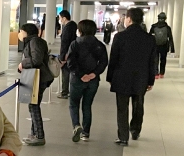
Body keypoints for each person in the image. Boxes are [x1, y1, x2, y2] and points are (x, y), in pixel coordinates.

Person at [107, 8, 158, 146]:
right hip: (141, 78)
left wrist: (110, 77)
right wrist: (151, 80)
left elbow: (113, 59)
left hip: (122, 77)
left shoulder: (120, 37)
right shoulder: (149, 39)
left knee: (122, 107)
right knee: (138, 105)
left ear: (129, 19)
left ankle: (123, 137)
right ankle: (135, 130)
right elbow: (152, 61)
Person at [65, 20, 109, 142]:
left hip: (76, 80)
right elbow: (104, 62)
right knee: (87, 105)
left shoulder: (75, 44)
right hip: (93, 81)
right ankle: (85, 133)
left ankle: (76, 125)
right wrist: (93, 74)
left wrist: (81, 75)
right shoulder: (99, 45)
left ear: (80, 31)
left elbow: (70, 63)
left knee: (74, 104)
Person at [18, 23, 55, 146]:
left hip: (39, 78)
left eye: (21, 31)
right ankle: (34, 133)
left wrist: (23, 63)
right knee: (33, 104)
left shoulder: (35, 42)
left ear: (26, 32)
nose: (19, 34)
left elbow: (36, 60)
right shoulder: (33, 41)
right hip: (37, 77)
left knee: (33, 105)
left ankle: (39, 136)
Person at [57, 10, 78, 99]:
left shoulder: (67, 28)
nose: (59, 20)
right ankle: (73, 91)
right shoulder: (74, 25)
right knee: (73, 73)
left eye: (60, 18)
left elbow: (64, 43)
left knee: (65, 73)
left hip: (67, 54)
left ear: (64, 18)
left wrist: (62, 58)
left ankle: (64, 92)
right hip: (74, 52)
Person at [149, 12, 175, 78]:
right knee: (163, 59)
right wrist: (172, 48)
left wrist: (149, 46)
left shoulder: (154, 26)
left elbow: (149, 36)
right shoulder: (167, 28)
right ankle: (162, 73)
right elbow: (170, 38)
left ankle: (156, 73)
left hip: (155, 45)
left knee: (155, 59)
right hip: (164, 45)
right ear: (165, 19)